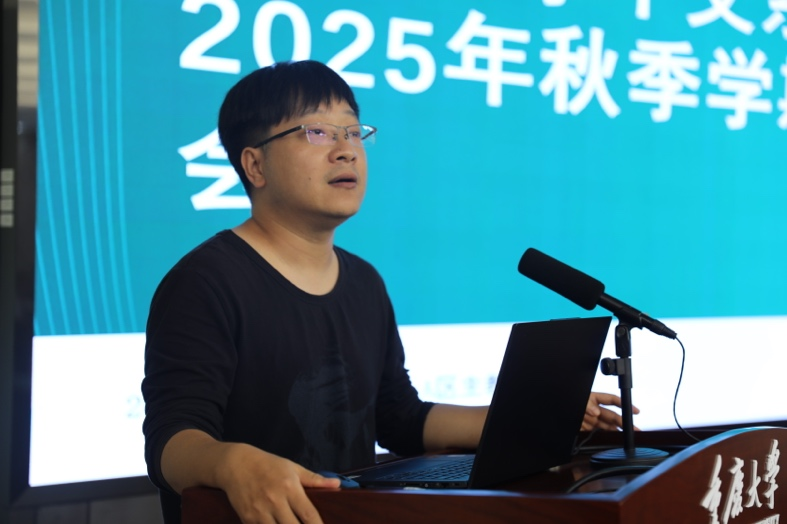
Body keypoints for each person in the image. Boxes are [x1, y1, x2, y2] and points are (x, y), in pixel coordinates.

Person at [141, 60, 631, 524]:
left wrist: (528, 419)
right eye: (317, 132)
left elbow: (399, 419)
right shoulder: (206, 282)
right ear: (255, 165)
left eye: (354, 132)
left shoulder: (364, 281)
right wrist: (233, 464)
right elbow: (171, 444)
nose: (346, 150)